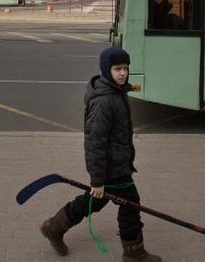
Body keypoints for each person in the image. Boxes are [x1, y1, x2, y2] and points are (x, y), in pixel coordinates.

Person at [40, 47, 162, 261]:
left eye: (125, 68)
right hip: (112, 167)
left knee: (97, 200)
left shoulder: (117, 91)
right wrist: (97, 180)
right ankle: (134, 253)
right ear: (107, 70)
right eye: (117, 69)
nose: (123, 73)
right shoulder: (104, 101)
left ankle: (54, 227)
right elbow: (94, 143)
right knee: (130, 204)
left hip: (117, 163)